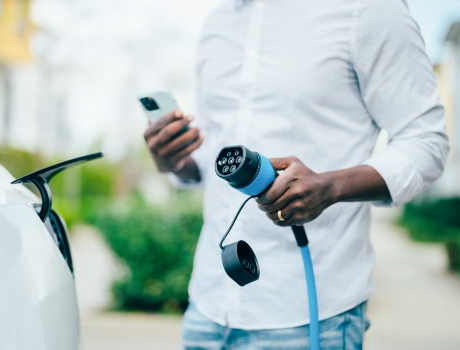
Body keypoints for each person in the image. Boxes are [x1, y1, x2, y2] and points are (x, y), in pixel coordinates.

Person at [143, 0, 449, 348]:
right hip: (208, 306)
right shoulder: (218, 23)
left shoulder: (368, 9)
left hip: (310, 312)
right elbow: (214, 151)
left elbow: (426, 141)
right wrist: (174, 160)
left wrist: (331, 187)